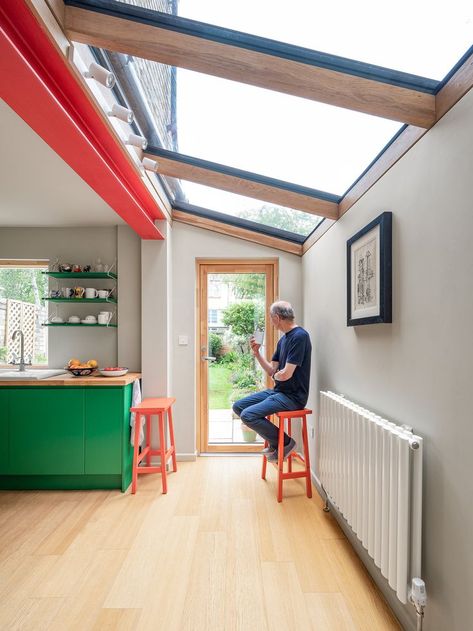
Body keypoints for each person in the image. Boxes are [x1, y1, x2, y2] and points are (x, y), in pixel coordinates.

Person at [232, 300, 312, 462]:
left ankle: (286, 443)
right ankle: (279, 443)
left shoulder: (300, 337)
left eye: (270, 318)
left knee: (248, 415)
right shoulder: (283, 340)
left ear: (276, 317)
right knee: (238, 406)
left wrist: (277, 375)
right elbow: (273, 371)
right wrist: (257, 353)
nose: (270, 321)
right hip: (279, 392)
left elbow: (285, 374)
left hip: (293, 398)